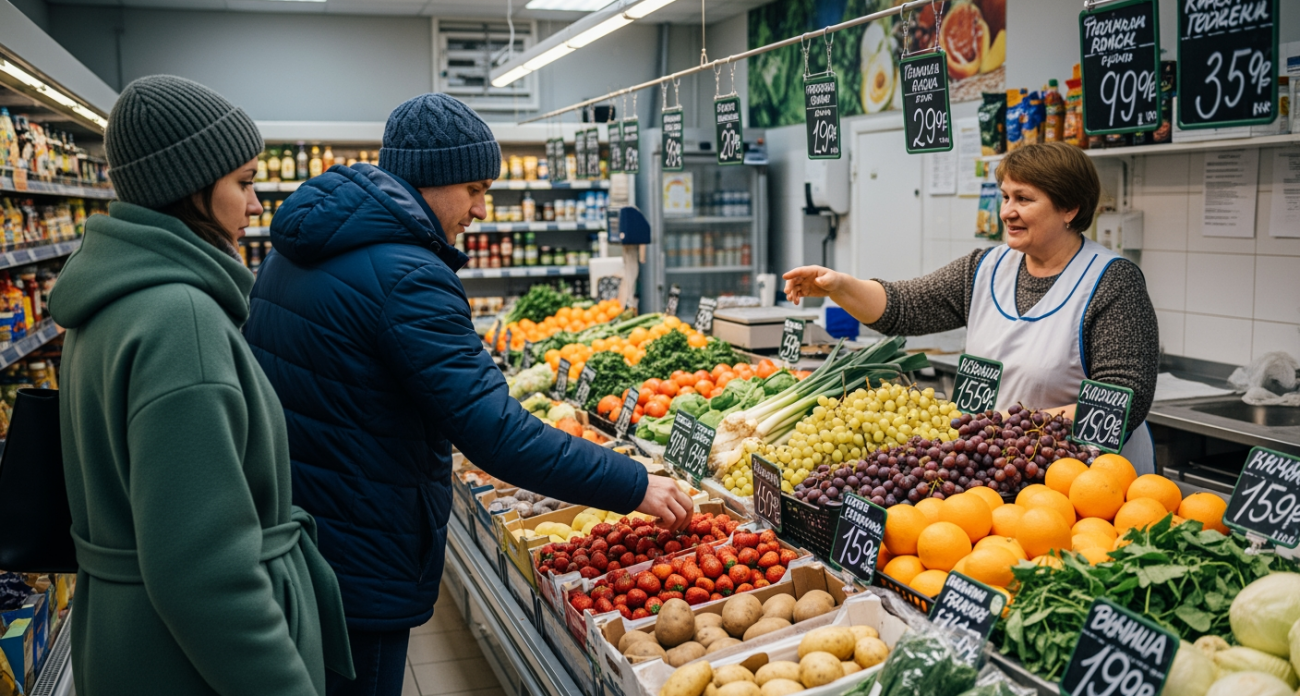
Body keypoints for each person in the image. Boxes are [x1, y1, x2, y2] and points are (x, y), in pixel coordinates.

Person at [243, 93, 694, 695]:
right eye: (475, 189)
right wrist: (634, 483)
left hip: (307, 531)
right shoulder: (408, 275)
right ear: (429, 180)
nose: (481, 209)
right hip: (363, 548)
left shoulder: (295, 250)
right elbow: (495, 433)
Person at [48, 76, 352, 696]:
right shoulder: (179, 319)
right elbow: (206, 574)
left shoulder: (109, 300)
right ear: (189, 187)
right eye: (244, 182)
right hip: (189, 666)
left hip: (130, 640)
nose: (256, 205)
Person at [784, 142, 1159, 475]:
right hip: (1001, 468)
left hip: (1089, 480)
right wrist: (839, 285)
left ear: (1069, 208)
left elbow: (1121, 401)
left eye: (1024, 199)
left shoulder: (1111, 281)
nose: (1007, 212)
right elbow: (903, 306)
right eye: (1005, 197)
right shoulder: (985, 268)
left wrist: (1006, 427)